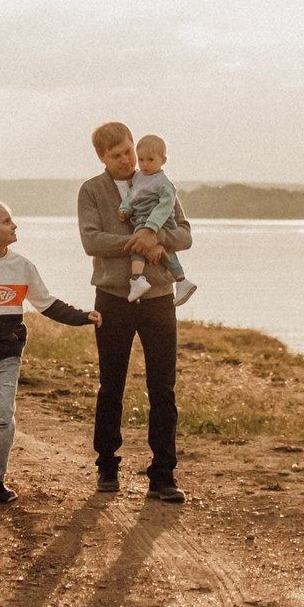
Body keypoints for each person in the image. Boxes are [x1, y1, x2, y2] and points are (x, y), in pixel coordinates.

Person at [0, 200, 100, 505]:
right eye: (7, 221)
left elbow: (46, 303)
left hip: (7, 354)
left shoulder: (22, 267)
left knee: (2, 416)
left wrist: (83, 317)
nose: (15, 226)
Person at [78, 120, 190, 502]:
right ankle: (107, 466)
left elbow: (185, 234)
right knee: (112, 385)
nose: (128, 160)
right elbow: (91, 240)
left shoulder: (160, 180)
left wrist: (155, 234)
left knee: (163, 388)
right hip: (112, 297)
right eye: (117, 156)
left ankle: (163, 475)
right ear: (102, 158)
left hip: (159, 297)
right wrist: (135, 241)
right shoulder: (91, 191)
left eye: (129, 150)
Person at [120, 133, 198, 306]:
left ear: (163, 160)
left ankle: (137, 279)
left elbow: (165, 206)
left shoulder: (163, 183)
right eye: (141, 159)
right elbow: (132, 195)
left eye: (150, 159)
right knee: (164, 251)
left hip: (158, 221)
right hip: (142, 219)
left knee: (138, 247)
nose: (145, 164)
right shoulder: (139, 177)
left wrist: (151, 228)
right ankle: (181, 280)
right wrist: (125, 208)